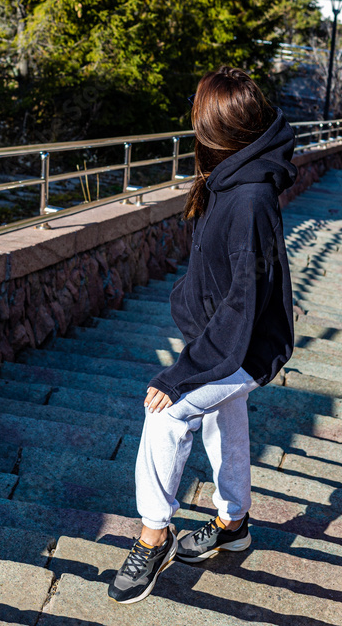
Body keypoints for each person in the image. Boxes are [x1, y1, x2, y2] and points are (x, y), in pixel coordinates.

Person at [108, 66, 297, 605]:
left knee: (165, 414)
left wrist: (183, 372)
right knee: (224, 421)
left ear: (216, 129)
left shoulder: (250, 198)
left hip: (243, 346)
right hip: (223, 338)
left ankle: (153, 534)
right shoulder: (231, 177)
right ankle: (234, 525)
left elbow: (242, 305)